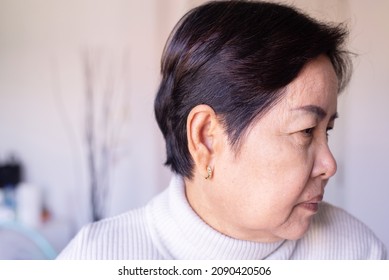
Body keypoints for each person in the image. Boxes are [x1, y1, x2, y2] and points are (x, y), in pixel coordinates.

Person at [57, 0, 387, 259]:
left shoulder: (355, 253)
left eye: (326, 130)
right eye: (305, 131)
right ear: (206, 139)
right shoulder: (97, 259)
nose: (330, 165)